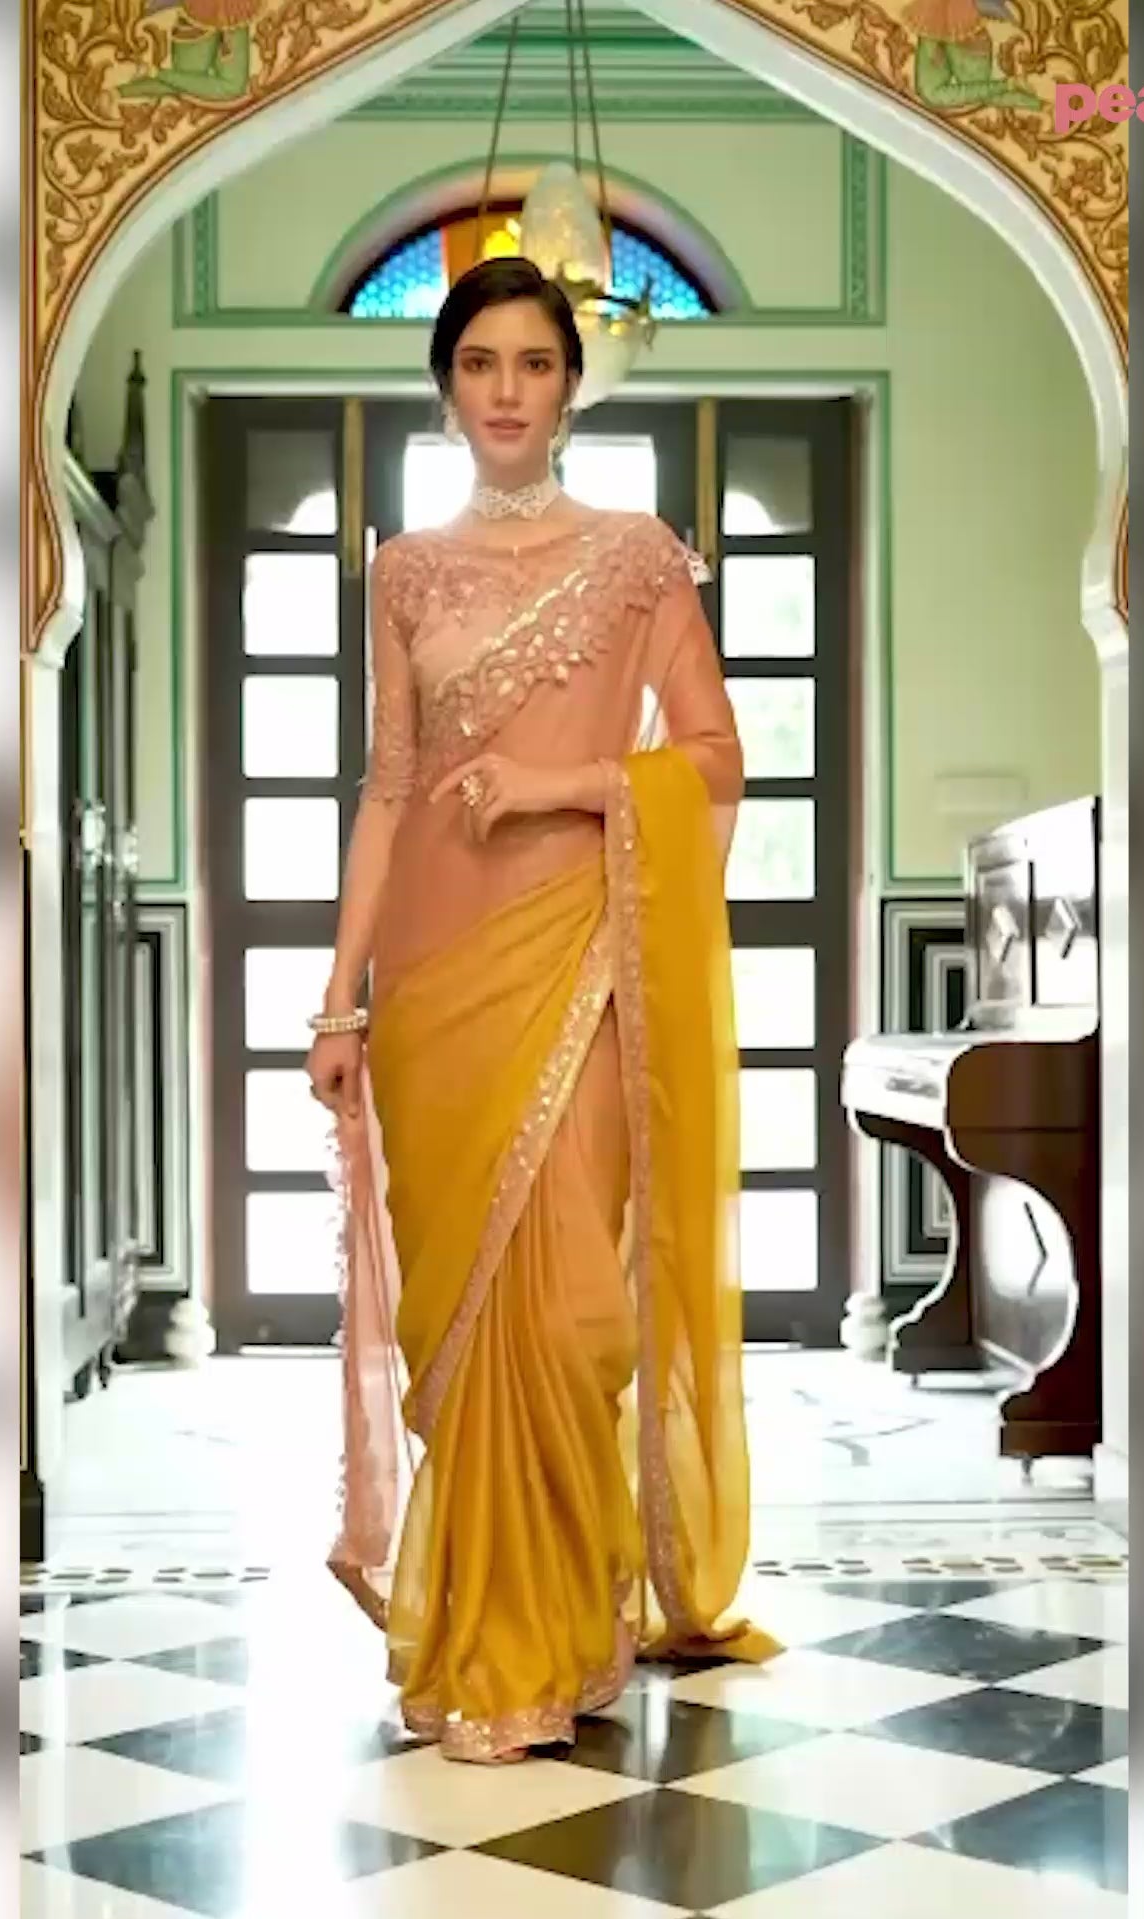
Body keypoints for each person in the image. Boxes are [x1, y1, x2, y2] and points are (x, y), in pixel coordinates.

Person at [306, 256, 776, 1764]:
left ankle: (570, 1622)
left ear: (572, 387)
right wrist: (339, 1003)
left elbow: (713, 758)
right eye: (479, 363)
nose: (507, 390)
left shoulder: (638, 559)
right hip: (431, 985)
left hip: (582, 964)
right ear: (444, 387)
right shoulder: (402, 572)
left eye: (535, 363)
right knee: (462, 1319)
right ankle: (493, 1648)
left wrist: (563, 785)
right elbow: (387, 795)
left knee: (573, 1316)